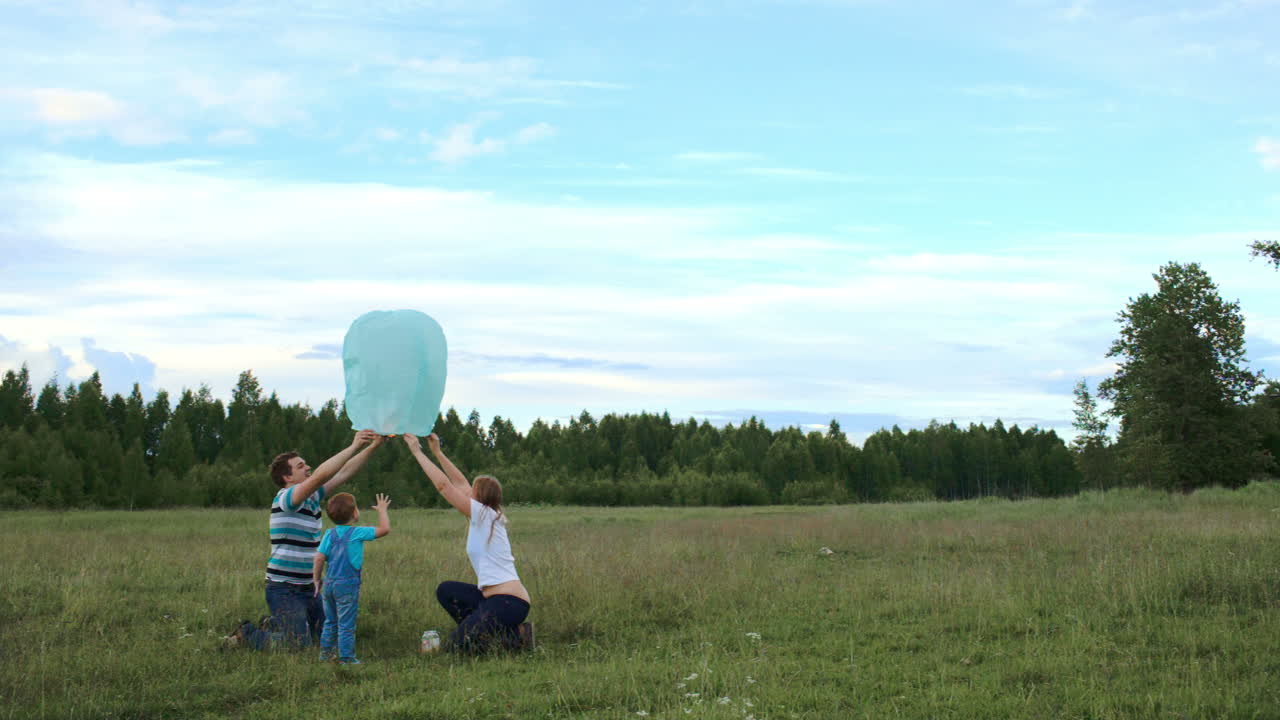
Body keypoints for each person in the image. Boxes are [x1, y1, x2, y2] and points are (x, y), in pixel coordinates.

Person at [224, 429, 383, 650]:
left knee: (330, 635)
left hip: (310, 588)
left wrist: (372, 446)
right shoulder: (287, 498)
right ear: (287, 478)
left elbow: (344, 473)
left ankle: (274, 624)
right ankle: (246, 634)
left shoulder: (312, 497)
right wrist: (354, 445)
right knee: (298, 645)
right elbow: (321, 475)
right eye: (300, 466)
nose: (307, 468)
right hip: (284, 589)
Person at [403, 432, 533, 653]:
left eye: (472, 491)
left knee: (456, 647)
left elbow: (444, 486)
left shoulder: (484, 515)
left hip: (510, 602)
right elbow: (460, 483)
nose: (466, 492)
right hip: (491, 598)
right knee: (446, 590)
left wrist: (417, 451)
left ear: (478, 497)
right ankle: (492, 632)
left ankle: (513, 636)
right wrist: (437, 452)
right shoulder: (484, 514)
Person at [314, 491, 391, 664]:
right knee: (346, 625)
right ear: (355, 513)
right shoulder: (357, 533)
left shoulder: (329, 534)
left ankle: (325, 655)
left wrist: (316, 579)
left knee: (330, 622)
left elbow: (319, 557)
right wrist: (382, 510)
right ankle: (347, 658)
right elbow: (385, 529)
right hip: (347, 586)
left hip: (329, 584)